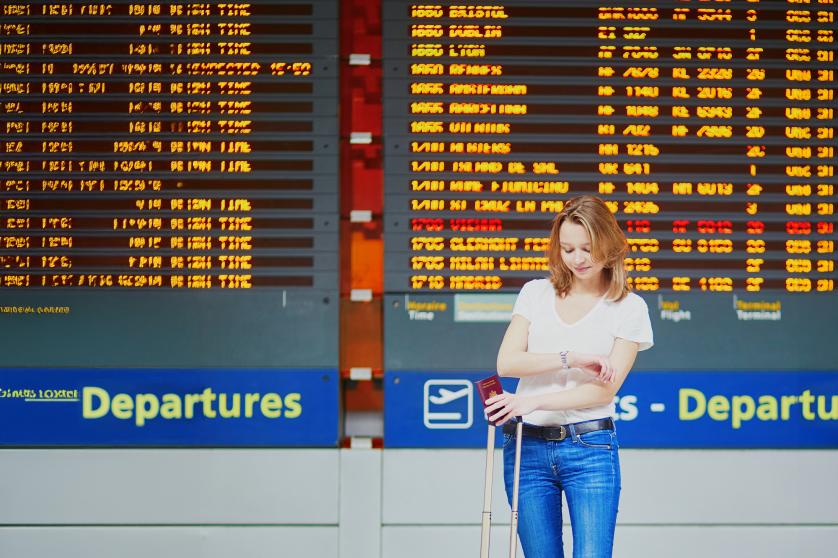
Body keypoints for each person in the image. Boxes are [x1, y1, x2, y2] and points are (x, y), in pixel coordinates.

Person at [484, 195, 653, 558]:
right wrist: (570, 358)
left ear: (610, 243)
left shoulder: (629, 307)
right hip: (526, 448)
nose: (577, 259)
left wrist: (532, 401)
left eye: (587, 248)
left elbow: (603, 391)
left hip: (590, 449)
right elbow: (507, 363)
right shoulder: (535, 293)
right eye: (567, 248)